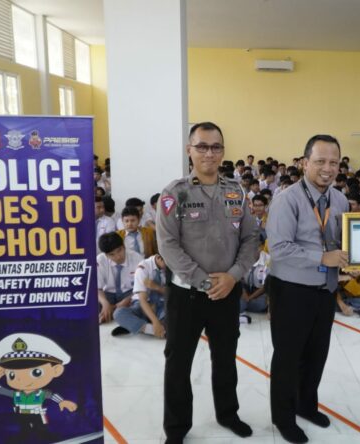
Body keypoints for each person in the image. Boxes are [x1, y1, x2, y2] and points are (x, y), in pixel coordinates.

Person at [155, 122, 258, 443]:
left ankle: (228, 414)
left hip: (227, 292)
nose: (209, 153)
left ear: (223, 152)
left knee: (226, 359)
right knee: (178, 364)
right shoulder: (175, 194)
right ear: (189, 150)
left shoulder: (236, 191)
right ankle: (176, 428)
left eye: (215, 147)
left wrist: (233, 276)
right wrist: (204, 282)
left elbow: (252, 238)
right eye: (202, 146)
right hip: (187, 295)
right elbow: (168, 245)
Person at [267, 134, 349, 444]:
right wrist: (322, 257)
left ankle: (306, 405)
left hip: (324, 290)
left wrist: (354, 254)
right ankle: (283, 417)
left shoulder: (339, 200)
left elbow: (342, 241)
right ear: (304, 163)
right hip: (292, 290)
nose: (327, 168)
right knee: (288, 357)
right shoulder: (286, 199)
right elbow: (279, 248)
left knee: (317, 354)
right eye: (320, 161)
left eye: (334, 162)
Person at [112, 253, 168, 338]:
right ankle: (155, 330)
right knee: (118, 313)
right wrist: (155, 322)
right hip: (141, 306)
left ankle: (136, 326)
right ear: (159, 258)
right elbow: (142, 301)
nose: (170, 268)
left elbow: (172, 294)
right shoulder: (143, 267)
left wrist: (157, 287)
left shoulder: (172, 267)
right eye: (168, 264)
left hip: (161, 305)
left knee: (176, 318)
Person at [96, 232, 143, 324]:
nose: (118, 256)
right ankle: (118, 315)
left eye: (119, 250)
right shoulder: (100, 260)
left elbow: (143, 288)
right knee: (91, 303)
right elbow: (97, 288)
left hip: (130, 293)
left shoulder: (137, 258)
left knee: (141, 304)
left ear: (124, 246)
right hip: (108, 294)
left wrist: (128, 299)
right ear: (106, 255)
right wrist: (105, 303)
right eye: (112, 254)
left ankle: (116, 314)